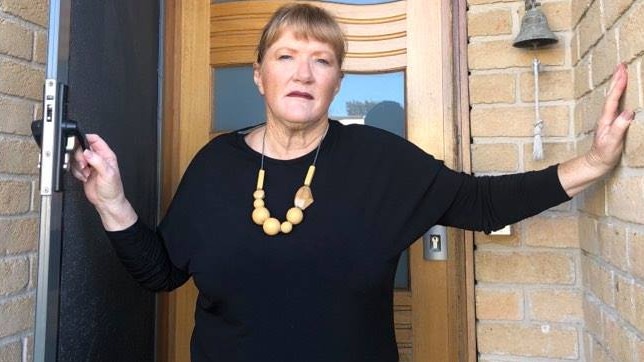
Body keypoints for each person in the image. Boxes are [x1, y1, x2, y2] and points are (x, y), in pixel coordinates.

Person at [71, 3, 633, 362]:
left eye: (321, 60)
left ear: (337, 81)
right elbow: (163, 272)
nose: (302, 72)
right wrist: (112, 201)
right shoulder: (215, 165)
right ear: (259, 76)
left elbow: (482, 203)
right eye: (286, 56)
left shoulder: (380, 163)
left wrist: (591, 162)